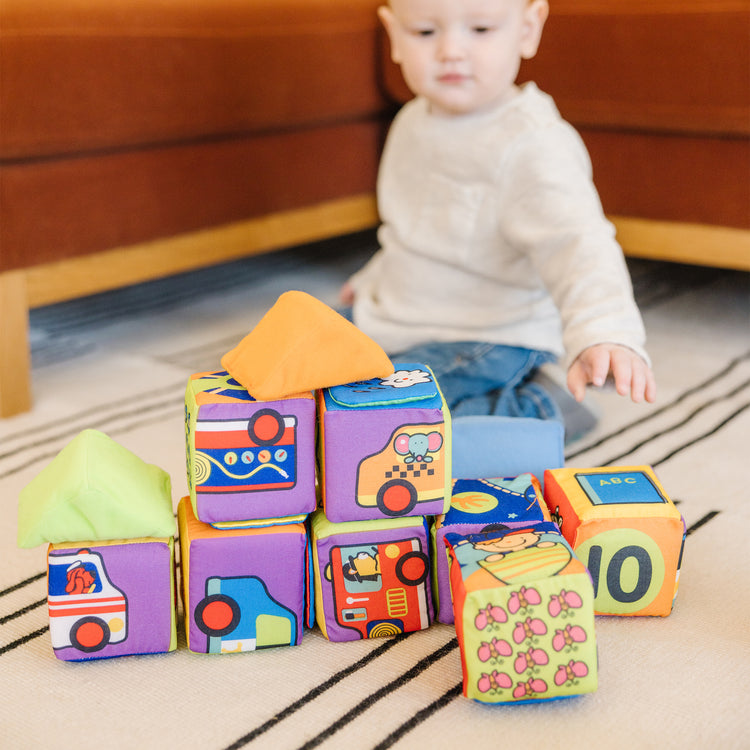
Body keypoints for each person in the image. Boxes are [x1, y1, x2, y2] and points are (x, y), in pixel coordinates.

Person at [341, 0, 656, 440]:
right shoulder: (412, 120)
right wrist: (374, 276)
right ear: (394, 36)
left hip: (487, 334)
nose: (451, 50)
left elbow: (580, 247)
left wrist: (604, 332)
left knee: (376, 422)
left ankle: (544, 408)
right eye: (425, 33)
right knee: (299, 356)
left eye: (482, 29)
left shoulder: (533, 145)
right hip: (399, 312)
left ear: (527, 29)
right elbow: (418, 228)